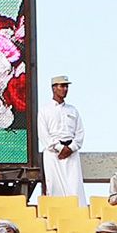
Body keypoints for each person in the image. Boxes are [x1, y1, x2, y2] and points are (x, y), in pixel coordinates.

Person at [34, 76, 85, 204]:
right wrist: (60, 148)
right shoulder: (45, 110)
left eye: (66, 86)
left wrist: (71, 148)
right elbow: (43, 134)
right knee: (54, 187)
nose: (65, 89)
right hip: (53, 153)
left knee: (75, 186)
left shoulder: (73, 110)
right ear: (54, 88)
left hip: (71, 152)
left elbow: (80, 132)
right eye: (62, 86)